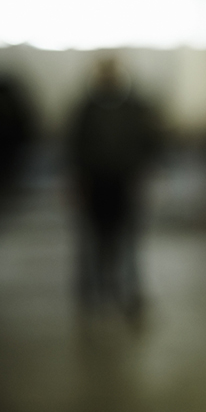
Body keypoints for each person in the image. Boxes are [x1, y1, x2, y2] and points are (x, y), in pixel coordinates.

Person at [69, 58, 158, 318]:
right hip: (96, 182)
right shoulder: (86, 110)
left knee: (128, 240)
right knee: (94, 240)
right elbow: (74, 148)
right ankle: (92, 291)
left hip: (125, 182)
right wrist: (78, 181)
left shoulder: (134, 109)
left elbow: (150, 142)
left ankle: (129, 289)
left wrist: (141, 172)